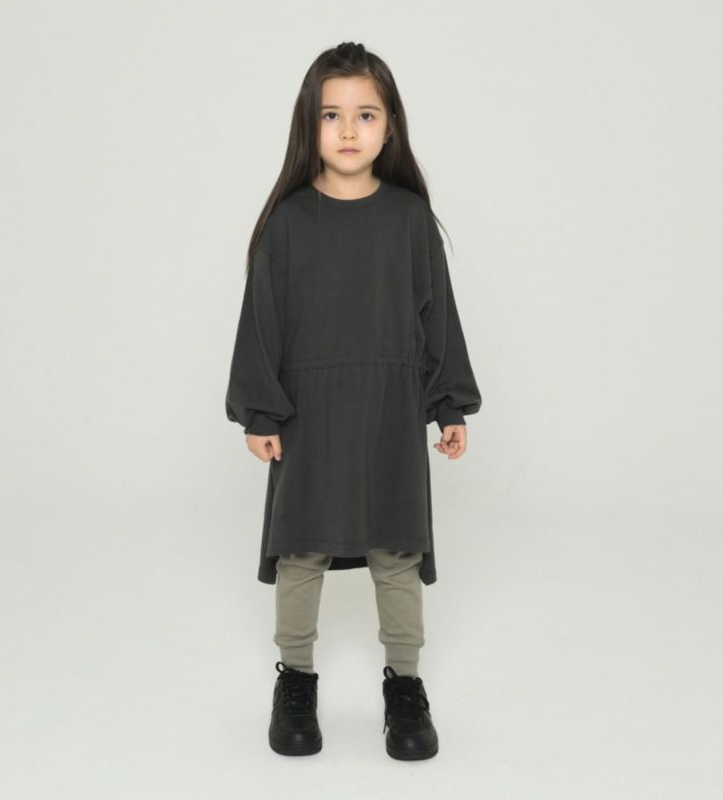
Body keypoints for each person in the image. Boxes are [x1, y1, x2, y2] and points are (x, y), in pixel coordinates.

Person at [225, 41, 482, 761]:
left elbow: (437, 318)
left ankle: (405, 684)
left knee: (396, 550)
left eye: (365, 114)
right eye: (330, 114)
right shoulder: (287, 223)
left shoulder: (410, 220)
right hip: (308, 414)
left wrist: (448, 405)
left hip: (390, 413)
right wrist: (261, 411)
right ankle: (295, 679)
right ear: (307, 124)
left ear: (389, 125)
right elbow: (261, 321)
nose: (347, 130)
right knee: (300, 549)